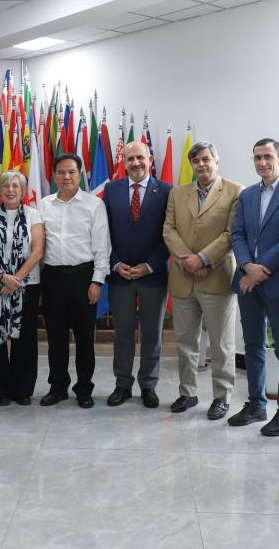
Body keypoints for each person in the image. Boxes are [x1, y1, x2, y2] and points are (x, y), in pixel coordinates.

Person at [229, 138, 279, 435]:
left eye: (268, 156)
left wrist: (259, 270)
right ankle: (256, 404)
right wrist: (247, 266)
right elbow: (237, 234)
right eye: (257, 157)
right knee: (252, 345)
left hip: (277, 281)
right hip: (247, 280)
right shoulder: (247, 194)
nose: (262, 162)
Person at [162, 141, 243, 420]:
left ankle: (222, 397)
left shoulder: (234, 191)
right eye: (196, 161)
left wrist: (204, 259)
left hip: (217, 277)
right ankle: (188, 392)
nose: (201, 164)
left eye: (206, 159)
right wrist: (188, 259)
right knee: (185, 342)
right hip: (183, 277)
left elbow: (231, 233)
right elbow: (169, 229)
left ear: (216, 162)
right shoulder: (177, 193)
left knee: (221, 345)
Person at [38, 153, 110, 408]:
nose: (66, 177)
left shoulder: (94, 205)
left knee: (84, 338)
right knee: (56, 338)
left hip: (83, 277)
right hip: (52, 278)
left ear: (80, 175)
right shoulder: (43, 205)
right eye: (61, 172)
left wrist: (97, 281)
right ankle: (58, 387)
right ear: (54, 176)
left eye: (71, 172)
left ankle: (84, 388)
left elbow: (102, 247)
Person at [103, 141, 171, 409]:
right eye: (130, 159)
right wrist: (115, 263)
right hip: (120, 275)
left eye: (140, 158)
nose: (135, 163)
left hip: (153, 275)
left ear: (150, 159)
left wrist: (149, 265)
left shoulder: (166, 191)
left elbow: (170, 234)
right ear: (124, 163)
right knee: (122, 333)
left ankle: (148, 385)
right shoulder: (111, 190)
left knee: (152, 334)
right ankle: (122, 384)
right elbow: (103, 232)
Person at [0, 171, 45, 405]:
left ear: (22, 190)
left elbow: (38, 251)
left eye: (15, 186)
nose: (10, 190)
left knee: (25, 339)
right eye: (6, 186)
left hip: (27, 285)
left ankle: (22, 390)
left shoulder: (34, 215)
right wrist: (2, 277)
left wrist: (15, 279)